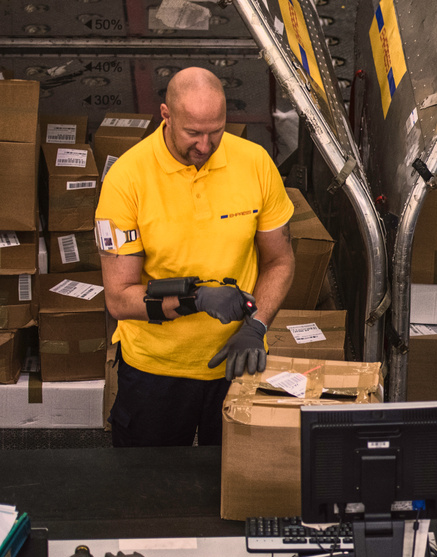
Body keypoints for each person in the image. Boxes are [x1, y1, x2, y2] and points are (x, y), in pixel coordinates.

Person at [96, 67, 296, 447]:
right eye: (192, 133)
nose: (205, 145)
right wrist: (195, 299)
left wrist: (257, 326)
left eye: (215, 131)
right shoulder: (127, 179)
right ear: (165, 115)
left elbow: (279, 261)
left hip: (239, 364)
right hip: (156, 371)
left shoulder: (255, 164)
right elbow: (119, 297)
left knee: (233, 492)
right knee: (149, 491)